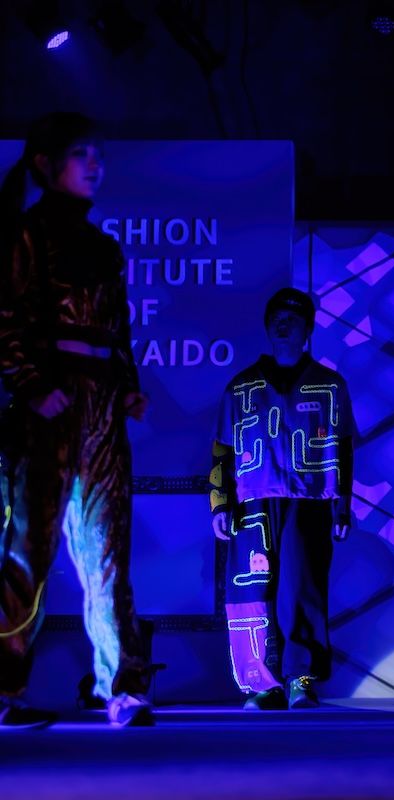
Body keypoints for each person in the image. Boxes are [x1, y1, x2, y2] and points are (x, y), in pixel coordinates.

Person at [0, 112, 153, 727]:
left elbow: (119, 330)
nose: (95, 164)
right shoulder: (24, 235)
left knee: (109, 551)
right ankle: (4, 689)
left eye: (99, 154)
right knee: (27, 552)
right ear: (44, 163)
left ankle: (123, 687)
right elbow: (4, 320)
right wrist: (33, 387)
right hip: (48, 409)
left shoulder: (103, 247)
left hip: (101, 409)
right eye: (80, 153)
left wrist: (129, 388)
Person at [211, 288, 355, 710]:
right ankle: (261, 683)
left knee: (302, 586)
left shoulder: (330, 384)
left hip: (309, 498)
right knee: (251, 588)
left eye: (292, 318)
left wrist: (342, 503)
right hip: (251, 500)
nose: (283, 324)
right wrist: (219, 502)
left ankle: (300, 678)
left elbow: (344, 446)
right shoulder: (242, 386)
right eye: (276, 317)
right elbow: (221, 449)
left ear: (308, 328)